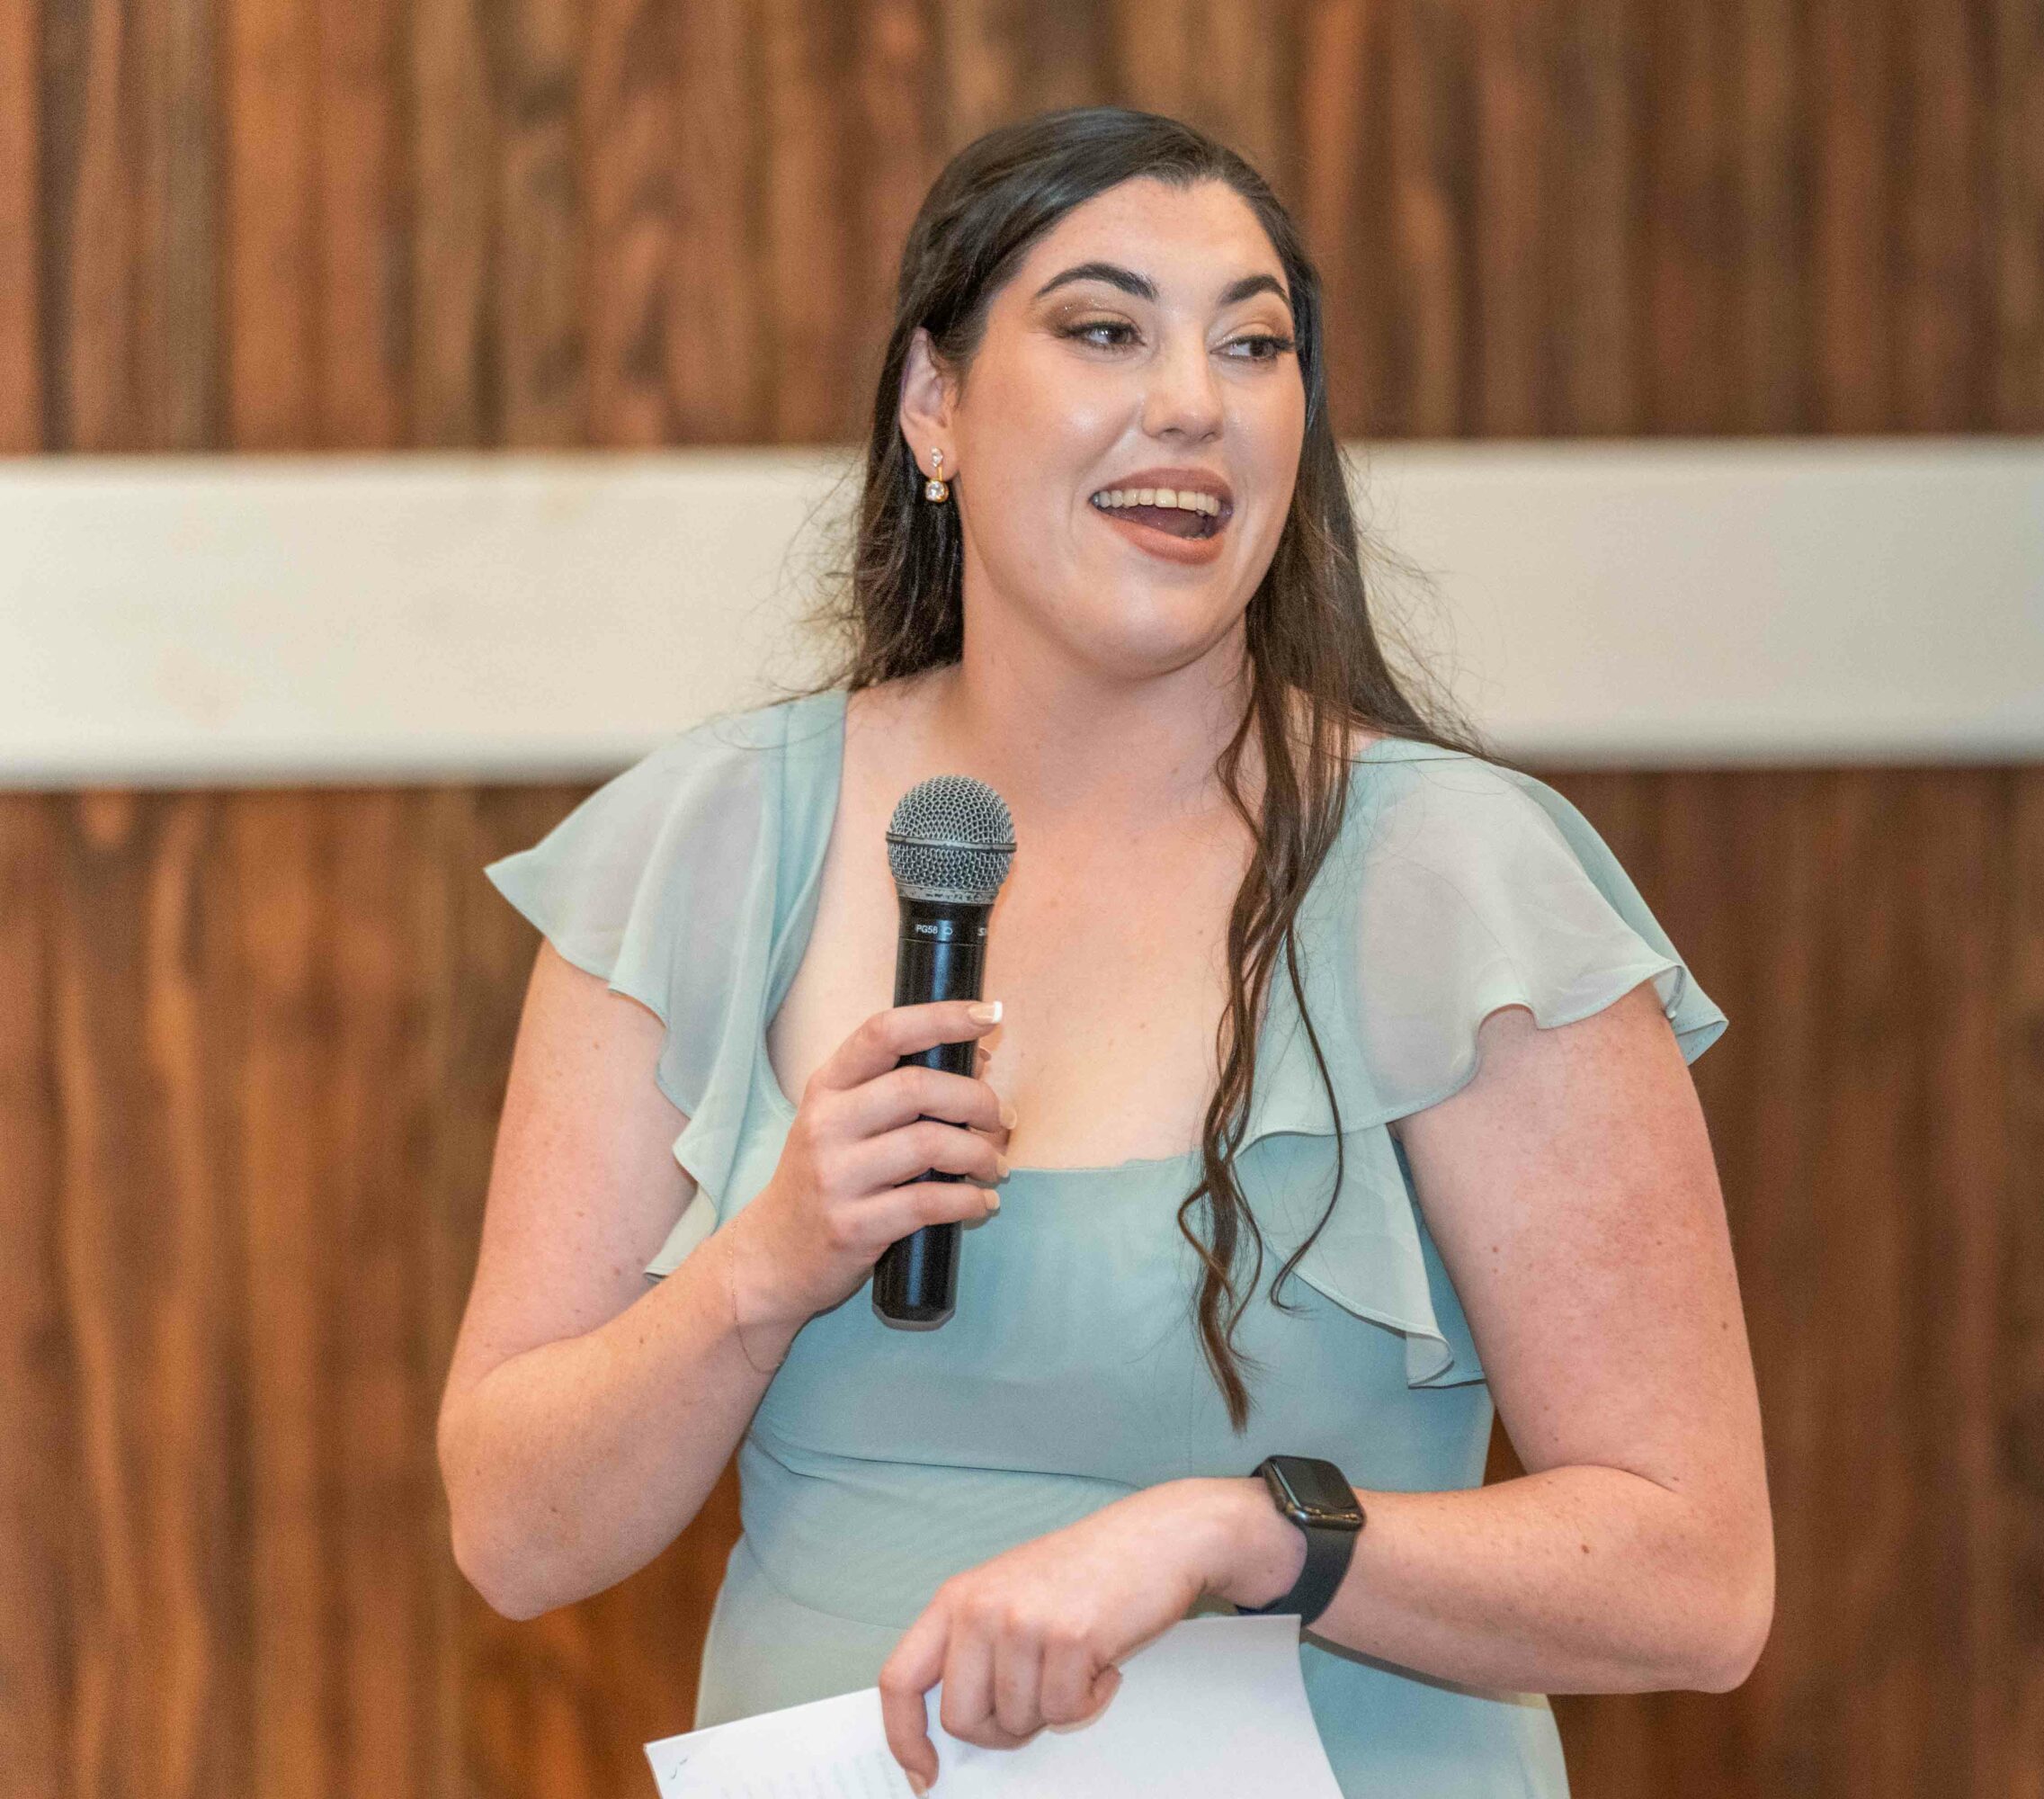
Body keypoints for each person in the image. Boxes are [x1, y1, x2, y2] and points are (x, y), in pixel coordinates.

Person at [436, 104, 1771, 1798]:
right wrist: (760, 1269)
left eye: (1254, 345)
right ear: (934, 404)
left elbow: (1697, 1585)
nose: (1195, 401)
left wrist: (1242, 1534)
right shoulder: (705, 847)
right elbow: (516, 1536)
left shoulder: (1458, 881)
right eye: (1104, 330)